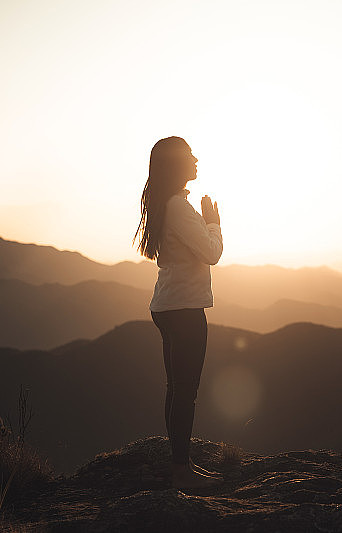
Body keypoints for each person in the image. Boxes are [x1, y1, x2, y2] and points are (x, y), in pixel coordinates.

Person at [133, 136, 224, 489]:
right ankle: (182, 470)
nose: (196, 159)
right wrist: (213, 223)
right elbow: (211, 253)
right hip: (184, 308)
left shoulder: (166, 204)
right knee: (186, 391)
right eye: (188, 155)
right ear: (175, 164)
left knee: (176, 388)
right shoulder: (179, 207)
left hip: (167, 305)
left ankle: (180, 463)